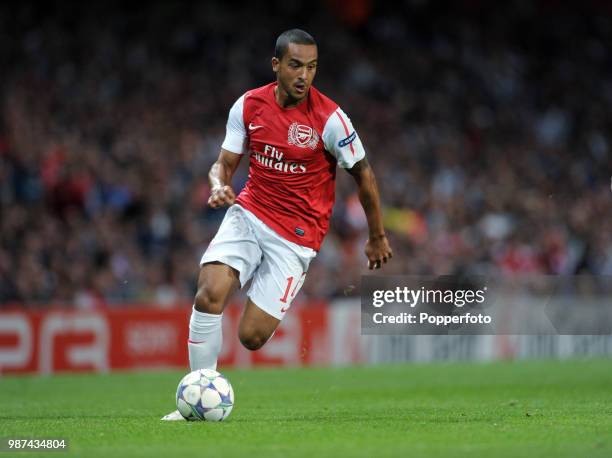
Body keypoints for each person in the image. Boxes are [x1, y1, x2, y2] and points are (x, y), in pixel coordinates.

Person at [162, 28, 392, 420]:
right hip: (250, 213)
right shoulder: (249, 106)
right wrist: (219, 185)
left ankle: (204, 393)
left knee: (251, 337)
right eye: (296, 65)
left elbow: (364, 175)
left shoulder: (331, 119)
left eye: (312, 67)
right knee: (208, 293)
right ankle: (195, 405)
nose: (304, 75)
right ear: (277, 65)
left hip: (297, 238)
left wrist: (377, 235)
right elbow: (224, 163)